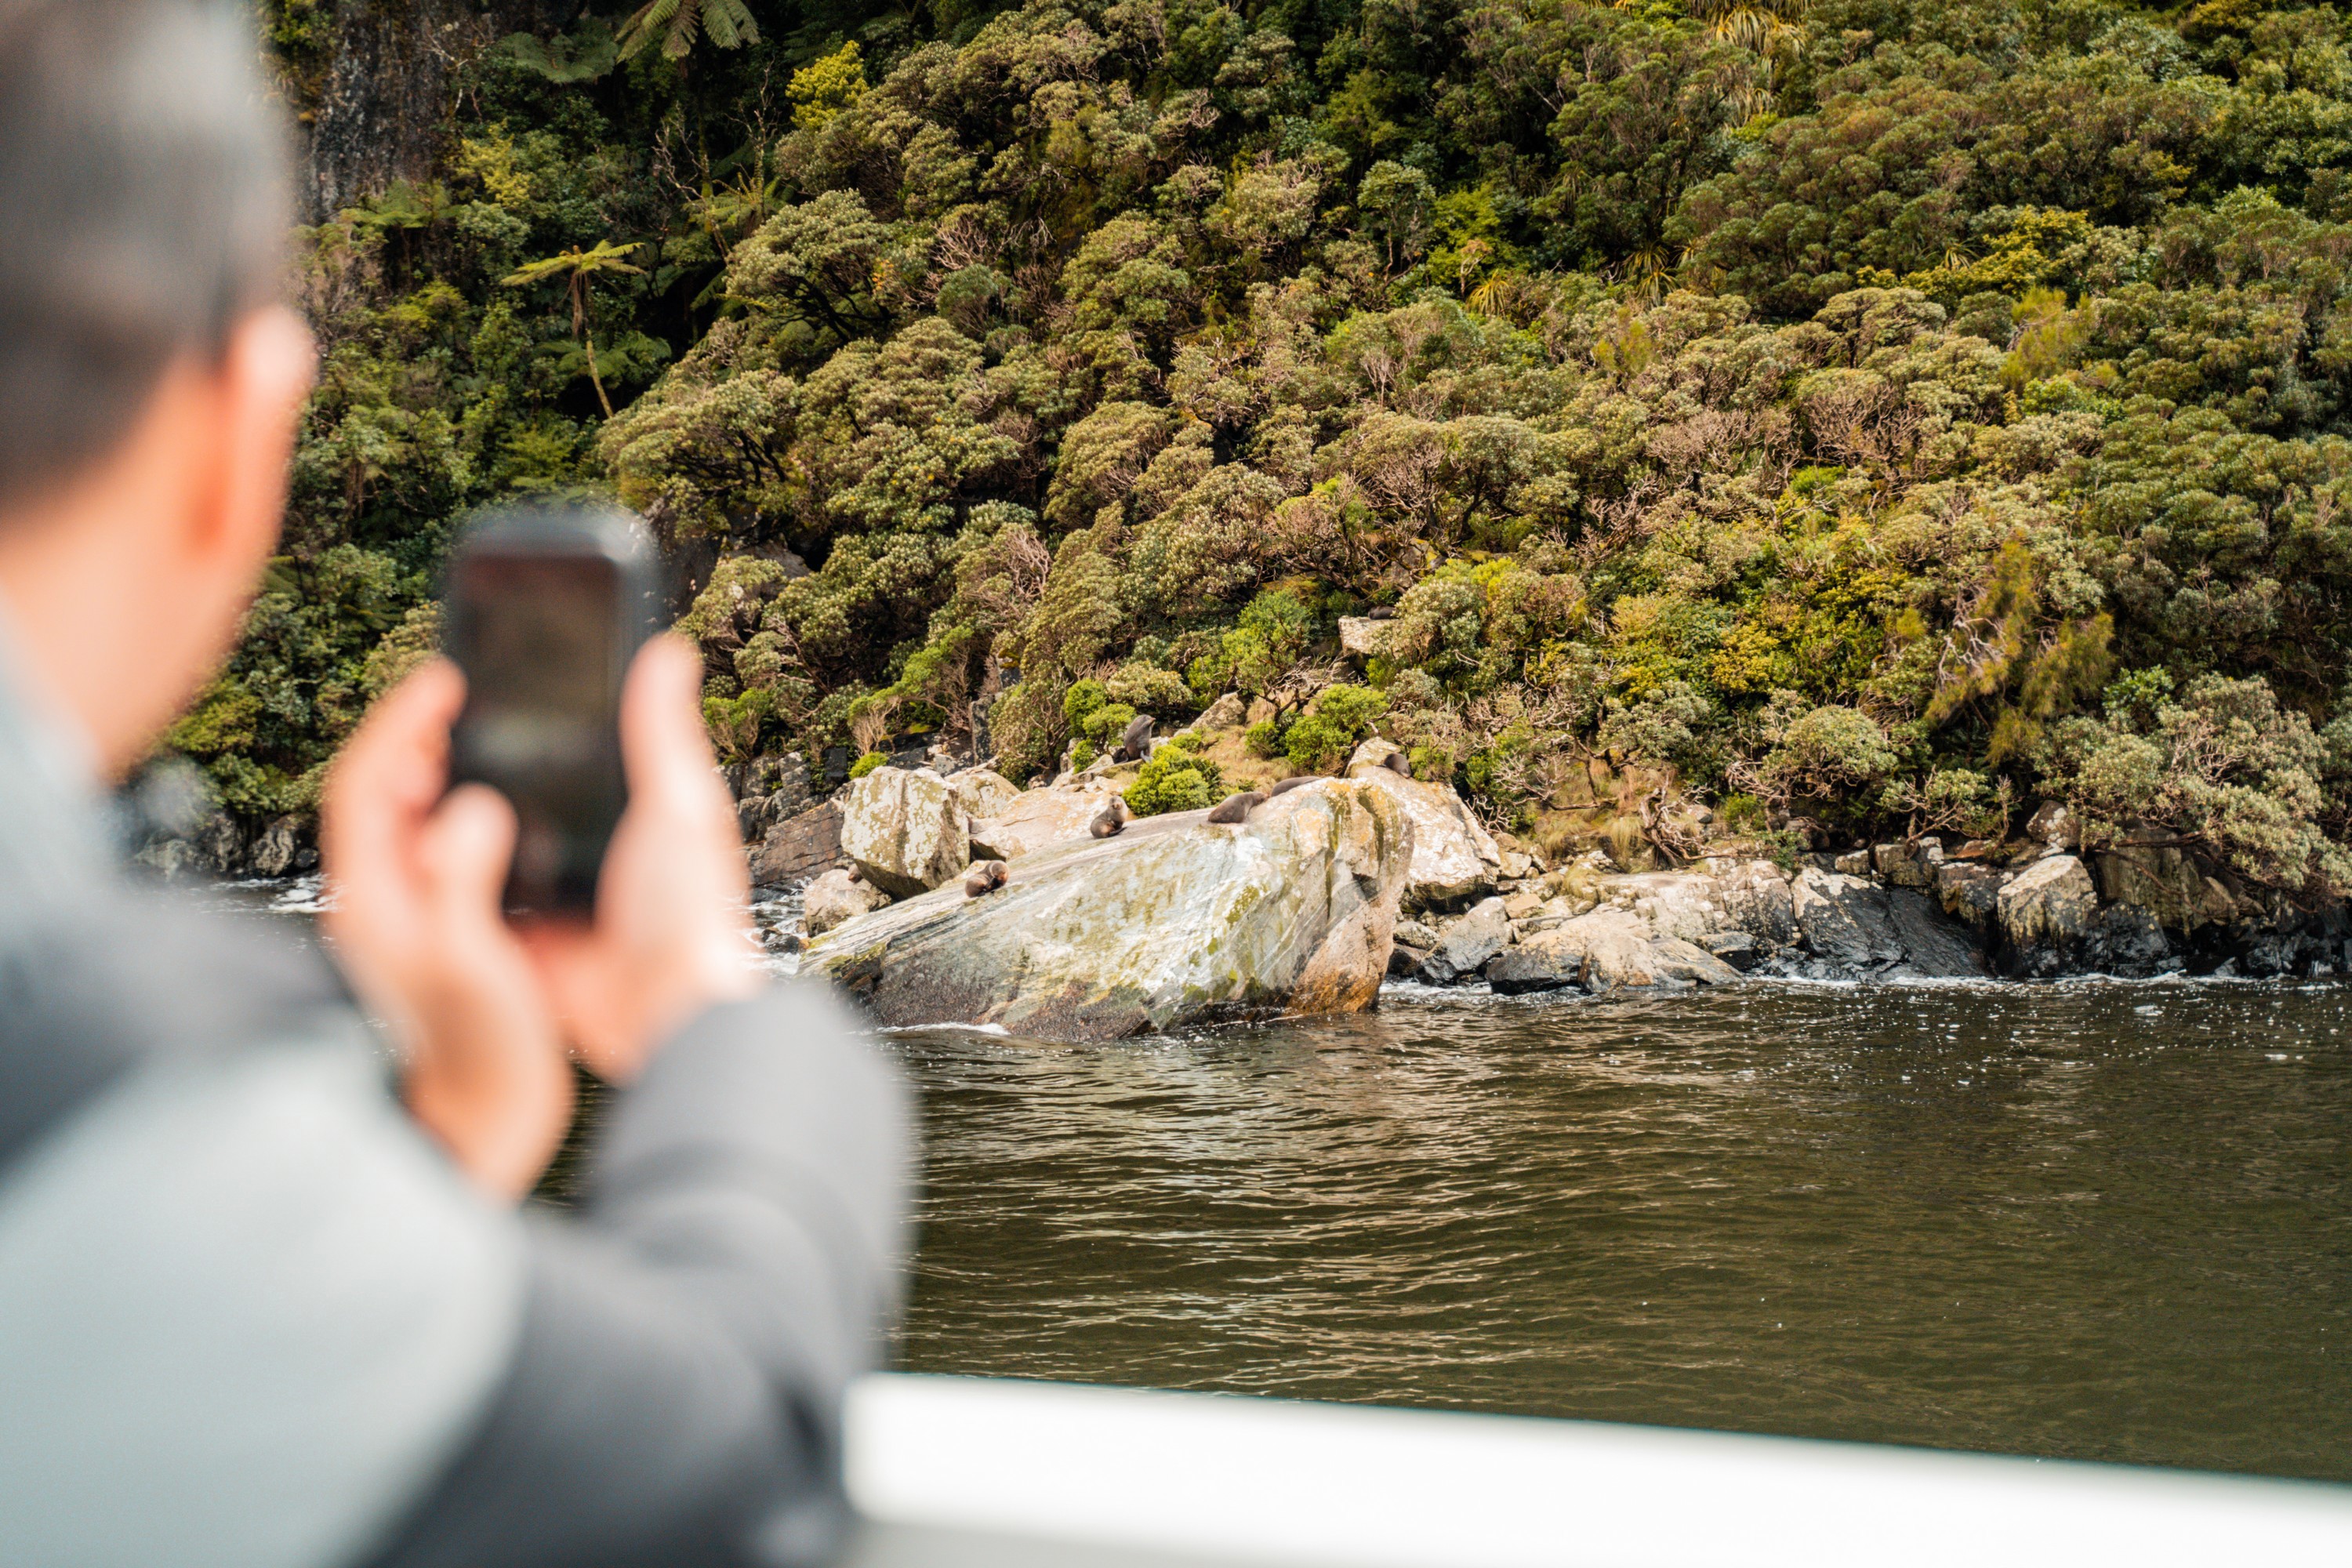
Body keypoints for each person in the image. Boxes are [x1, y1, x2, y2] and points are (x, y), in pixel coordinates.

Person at [0, 3, 909, 1565]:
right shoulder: (82, 1087)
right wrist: (707, 997)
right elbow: (730, 1454)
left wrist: (458, 1112)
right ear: (242, 430)